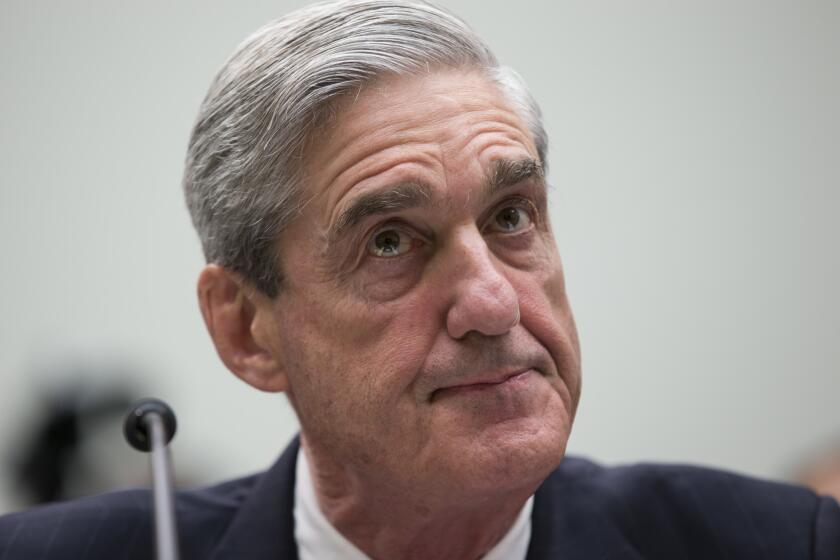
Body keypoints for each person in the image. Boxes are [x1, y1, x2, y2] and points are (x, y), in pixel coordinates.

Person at [1, 1, 838, 558]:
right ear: (247, 329)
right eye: (392, 240)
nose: (494, 301)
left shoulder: (784, 543)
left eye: (513, 216)